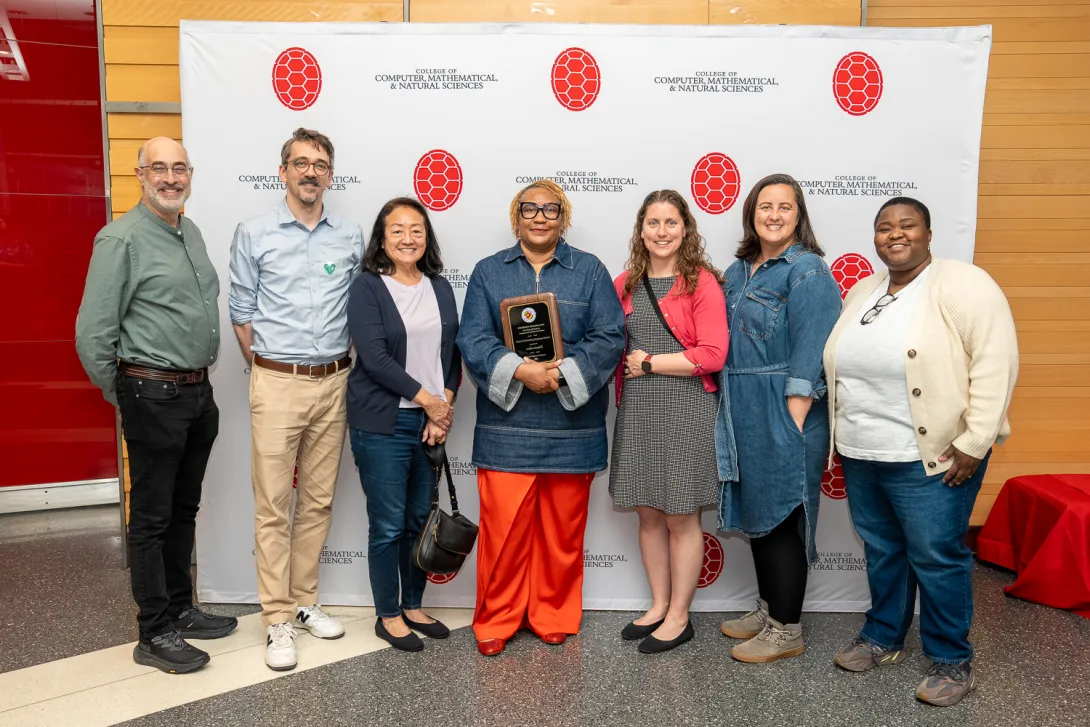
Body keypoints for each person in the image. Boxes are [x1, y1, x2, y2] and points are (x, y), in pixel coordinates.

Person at [822, 197, 1018, 707]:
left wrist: (976, 440)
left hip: (931, 455)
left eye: (907, 225)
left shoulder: (964, 285)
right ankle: (883, 636)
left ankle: (951, 659)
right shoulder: (865, 290)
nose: (895, 234)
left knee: (937, 557)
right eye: (884, 228)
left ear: (929, 234)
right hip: (864, 452)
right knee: (884, 550)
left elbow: (996, 363)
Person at [75, 137, 237, 674]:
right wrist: (125, 394)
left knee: (182, 509)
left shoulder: (187, 230)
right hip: (151, 394)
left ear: (191, 174)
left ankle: (179, 607)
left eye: (180, 168)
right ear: (140, 173)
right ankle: (154, 631)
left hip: (196, 392)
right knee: (150, 516)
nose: (171, 177)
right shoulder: (120, 239)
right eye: (159, 168)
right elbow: (92, 334)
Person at [457, 179, 626, 657]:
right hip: (506, 430)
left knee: (562, 536)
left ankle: (552, 613)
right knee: (503, 535)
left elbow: (609, 336)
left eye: (550, 209)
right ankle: (497, 618)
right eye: (529, 208)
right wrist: (521, 371)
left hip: (572, 430)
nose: (539, 217)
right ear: (516, 217)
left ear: (563, 218)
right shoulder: (489, 272)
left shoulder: (590, 271)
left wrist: (561, 374)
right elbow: (473, 338)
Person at [228, 128, 364, 671]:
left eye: (321, 164)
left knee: (317, 501)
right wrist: (268, 368)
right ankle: (277, 619)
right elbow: (241, 312)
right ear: (282, 171)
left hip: (335, 383)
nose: (311, 172)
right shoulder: (254, 232)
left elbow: (360, 309)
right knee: (272, 507)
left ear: (331, 174)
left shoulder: (351, 235)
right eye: (300, 163)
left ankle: (306, 601)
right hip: (277, 382)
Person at [715, 173, 841, 663]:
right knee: (758, 513)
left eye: (784, 207)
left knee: (785, 516)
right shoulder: (738, 270)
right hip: (741, 407)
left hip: (785, 407)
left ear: (798, 215)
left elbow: (814, 346)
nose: (773, 215)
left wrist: (793, 415)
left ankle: (787, 629)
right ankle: (770, 608)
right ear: (751, 214)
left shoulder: (807, 270)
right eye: (764, 206)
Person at [609, 190, 727, 654]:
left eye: (671, 223)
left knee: (682, 514)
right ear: (641, 229)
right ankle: (658, 605)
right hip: (638, 408)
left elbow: (715, 354)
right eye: (653, 223)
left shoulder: (702, 283)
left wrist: (652, 362)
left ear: (686, 229)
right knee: (648, 511)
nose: (662, 232)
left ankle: (680, 615)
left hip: (685, 408)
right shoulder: (625, 283)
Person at [346, 197, 461, 652]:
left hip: (430, 420)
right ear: (382, 237)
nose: (408, 238)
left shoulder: (440, 287)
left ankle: (413, 604)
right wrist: (430, 402)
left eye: (417, 230)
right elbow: (374, 358)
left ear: (427, 237)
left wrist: (443, 407)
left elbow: (453, 355)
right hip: (384, 421)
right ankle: (388, 614)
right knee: (389, 523)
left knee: (419, 518)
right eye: (397, 230)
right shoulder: (368, 287)